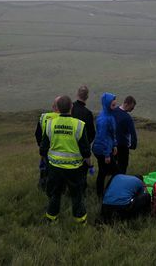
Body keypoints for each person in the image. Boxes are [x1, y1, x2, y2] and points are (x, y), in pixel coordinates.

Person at [39, 95, 93, 224]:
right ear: (71, 107)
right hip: (74, 169)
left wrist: (43, 162)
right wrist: (90, 166)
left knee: (55, 194)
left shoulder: (50, 124)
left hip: (54, 167)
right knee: (76, 196)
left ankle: (51, 219)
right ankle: (80, 221)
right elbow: (86, 151)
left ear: (57, 108)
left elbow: (43, 147)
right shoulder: (79, 125)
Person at [92, 91, 118, 199]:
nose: (114, 107)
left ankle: (101, 193)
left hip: (104, 147)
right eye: (112, 105)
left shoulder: (108, 114)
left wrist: (114, 145)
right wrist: (107, 154)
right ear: (107, 104)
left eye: (115, 104)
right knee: (115, 172)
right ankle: (105, 194)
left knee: (103, 171)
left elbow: (111, 133)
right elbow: (102, 138)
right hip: (101, 150)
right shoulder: (103, 119)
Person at [34, 96, 60, 189]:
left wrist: (41, 146)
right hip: (59, 151)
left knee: (44, 171)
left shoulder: (43, 117)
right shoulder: (66, 118)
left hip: (45, 150)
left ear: (53, 107)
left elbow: (38, 134)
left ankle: (43, 187)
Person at [114, 95, 138, 174]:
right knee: (122, 166)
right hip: (122, 146)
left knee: (113, 166)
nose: (132, 110)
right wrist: (133, 145)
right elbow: (133, 134)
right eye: (131, 107)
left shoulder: (113, 111)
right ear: (126, 104)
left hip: (112, 145)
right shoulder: (127, 118)